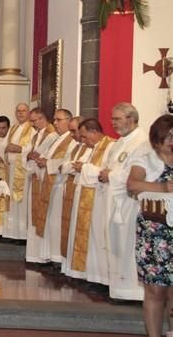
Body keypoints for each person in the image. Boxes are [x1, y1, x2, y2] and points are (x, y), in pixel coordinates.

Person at [126, 115, 173, 337]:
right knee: (156, 289)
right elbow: (133, 184)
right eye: (168, 136)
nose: (172, 140)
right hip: (155, 233)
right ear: (156, 139)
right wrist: (164, 187)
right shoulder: (145, 160)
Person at [103, 103, 149, 301]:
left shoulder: (142, 142)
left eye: (117, 119)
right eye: (113, 119)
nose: (113, 123)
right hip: (116, 200)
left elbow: (139, 174)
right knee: (117, 244)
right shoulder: (120, 142)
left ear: (131, 119)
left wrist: (110, 175)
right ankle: (120, 288)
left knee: (129, 244)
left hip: (131, 203)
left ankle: (134, 291)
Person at [64, 118, 114, 284]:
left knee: (98, 239)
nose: (83, 140)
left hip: (99, 199)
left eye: (85, 136)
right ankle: (89, 275)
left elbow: (108, 173)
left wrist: (84, 168)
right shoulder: (92, 148)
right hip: (86, 197)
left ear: (94, 132)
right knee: (90, 240)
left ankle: (101, 278)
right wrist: (81, 167)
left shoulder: (111, 146)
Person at [27, 108, 76, 267]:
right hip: (50, 184)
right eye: (54, 119)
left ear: (69, 120)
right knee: (51, 223)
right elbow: (47, 156)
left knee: (57, 223)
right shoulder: (56, 138)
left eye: (58, 120)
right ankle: (51, 257)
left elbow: (68, 161)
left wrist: (46, 163)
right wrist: (41, 161)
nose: (54, 123)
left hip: (61, 186)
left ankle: (58, 259)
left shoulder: (72, 140)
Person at [23, 107, 59, 264]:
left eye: (33, 120)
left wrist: (32, 157)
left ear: (42, 118)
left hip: (44, 178)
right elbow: (31, 155)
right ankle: (34, 255)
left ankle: (40, 256)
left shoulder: (51, 135)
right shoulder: (37, 135)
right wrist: (30, 157)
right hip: (35, 177)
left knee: (43, 218)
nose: (31, 123)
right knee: (34, 217)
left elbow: (40, 155)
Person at [59, 116, 91, 267]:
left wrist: (74, 166)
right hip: (72, 188)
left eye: (74, 131)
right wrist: (72, 166)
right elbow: (65, 166)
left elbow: (77, 166)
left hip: (85, 193)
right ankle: (69, 267)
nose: (71, 135)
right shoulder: (76, 146)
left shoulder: (90, 147)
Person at [2, 103, 36, 241]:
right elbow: (5, 145)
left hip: (23, 170)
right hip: (12, 169)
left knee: (21, 202)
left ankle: (22, 234)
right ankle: (11, 232)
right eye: (18, 111)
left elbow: (33, 147)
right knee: (12, 202)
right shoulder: (14, 128)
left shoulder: (32, 129)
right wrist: (7, 149)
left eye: (23, 111)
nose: (21, 113)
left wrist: (20, 149)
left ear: (28, 112)